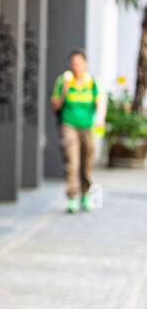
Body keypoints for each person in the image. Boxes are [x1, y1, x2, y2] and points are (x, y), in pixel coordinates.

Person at [50, 50, 102, 213]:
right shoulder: (63, 81)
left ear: (85, 64)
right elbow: (55, 106)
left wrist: (99, 122)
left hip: (87, 126)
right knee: (72, 161)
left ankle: (85, 194)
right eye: (73, 64)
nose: (76, 67)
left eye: (79, 63)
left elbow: (99, 103)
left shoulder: (91, 82)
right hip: (69, 124)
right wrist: (65, 91)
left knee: (87, 161)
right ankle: (72, 196)